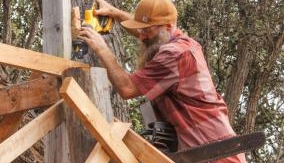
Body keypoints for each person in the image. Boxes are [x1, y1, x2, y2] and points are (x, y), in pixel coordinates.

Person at [78, 0, 247, 162]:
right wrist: (115, 13)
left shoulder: (175, 54)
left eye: (146, 30)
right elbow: (151, 35)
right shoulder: (174, 41)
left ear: (168, 27)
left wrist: (102, 49)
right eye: (140, 30)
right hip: (199, 153)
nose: (141, 36)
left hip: (217, 156)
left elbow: (127, 89)